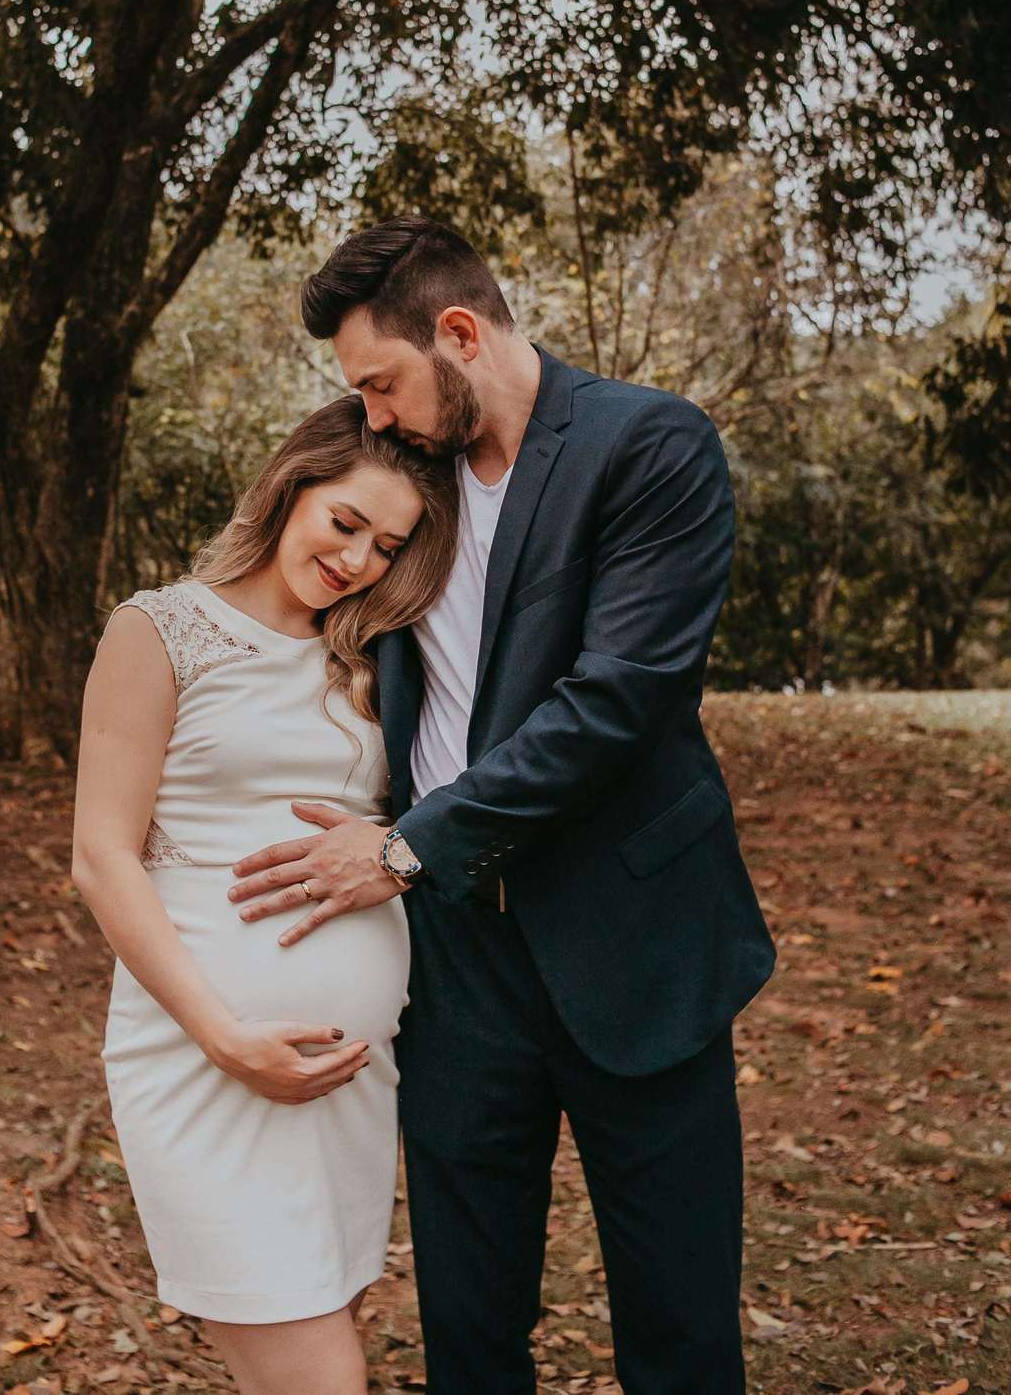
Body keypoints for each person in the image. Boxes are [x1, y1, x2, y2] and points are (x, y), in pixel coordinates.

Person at [228, 217, 777, 1395]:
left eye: (381, 381)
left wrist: (410, 850)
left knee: (679, 1330)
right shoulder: (408, 480)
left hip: (636, 938)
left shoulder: (650, 446)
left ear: (461, 335)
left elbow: (616, 702)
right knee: (469, 1329)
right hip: (457, 955)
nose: (372, 414)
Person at [71, 395, 458, 1395]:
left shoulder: (373, 657)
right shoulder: (160, 628)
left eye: (386, 544)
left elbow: (416, 806)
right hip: (209, 1062)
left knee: (320, 1338)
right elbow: (102, 858)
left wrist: (393, 841)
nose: (358, 560)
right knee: (318, 1374)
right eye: (345, 523)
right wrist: (223, 1036)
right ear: (292, 489)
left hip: (351, 1082)